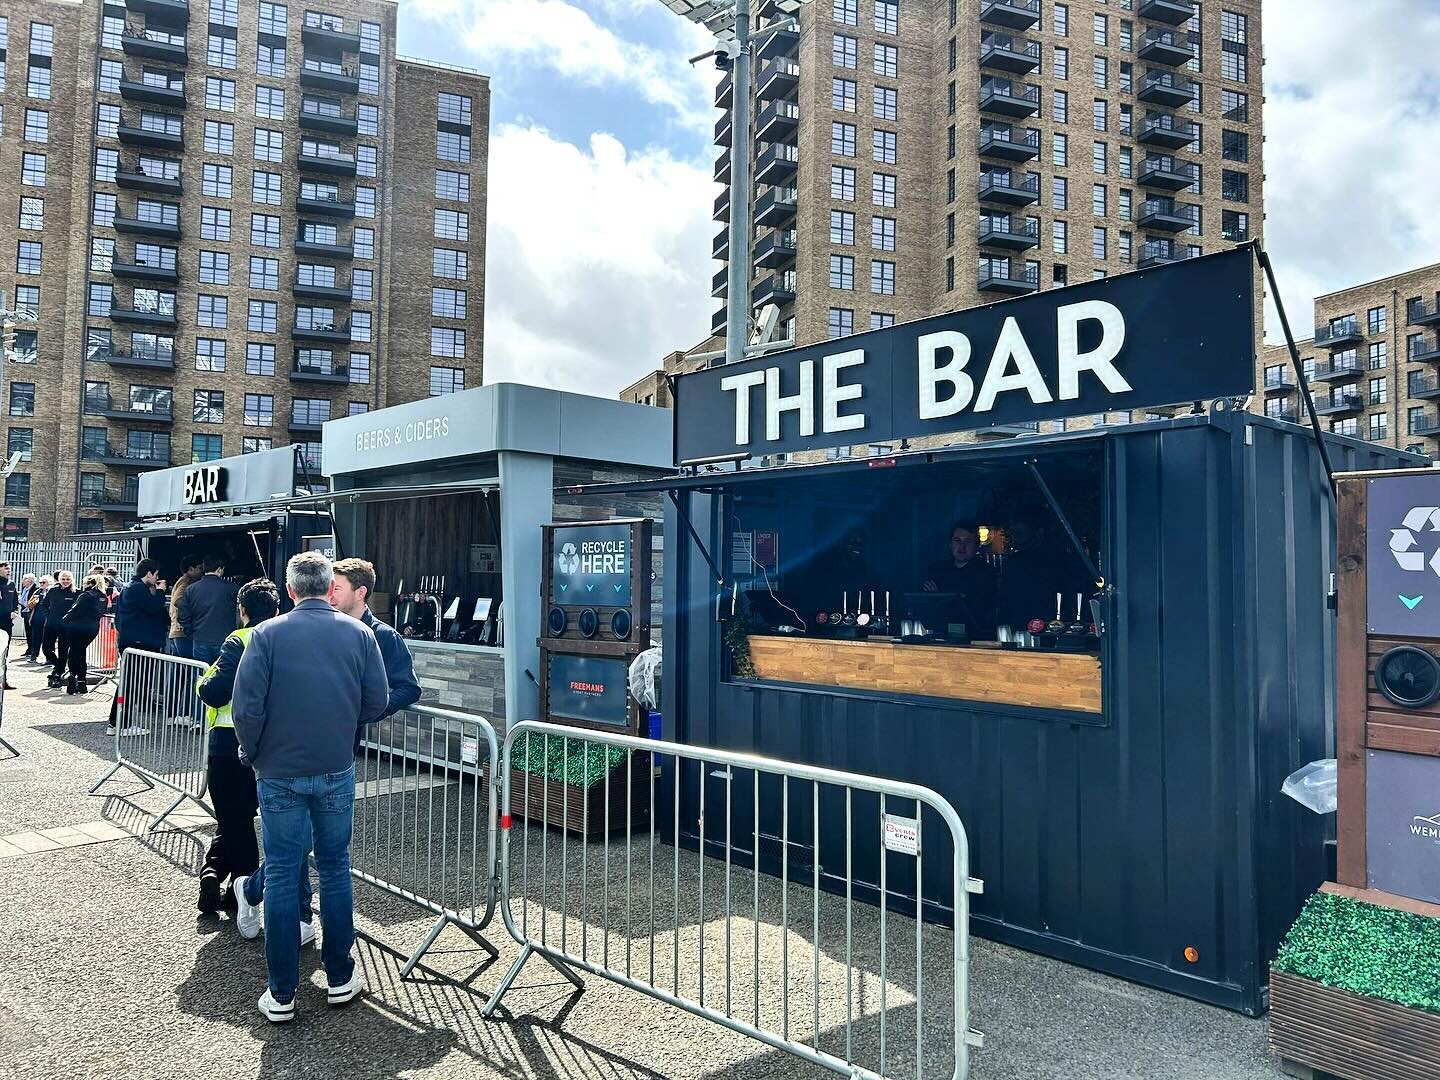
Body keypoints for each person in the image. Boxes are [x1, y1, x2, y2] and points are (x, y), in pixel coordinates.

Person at [231, 552, 388, 1023]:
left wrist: (254, 752)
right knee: (336, 867)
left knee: (281, 871)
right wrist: (341, 720)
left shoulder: (266, 635)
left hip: (278, 768)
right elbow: (377, 699)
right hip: (335, 764)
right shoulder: (359, 633)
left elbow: (246, 707)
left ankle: (281, 992)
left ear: (291, 589)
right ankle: (340, 976)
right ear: (327, 587)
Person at [234, 557, 425, 928]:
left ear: (360, 592)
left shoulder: (380, 636)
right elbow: (251, 702)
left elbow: (406, 687)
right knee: (299, 844)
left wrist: (361, 711)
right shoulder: (292, 631)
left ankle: (258, 893)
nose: (330, 593)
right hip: (292, 756)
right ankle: (293, 914)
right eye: (329, 586)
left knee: (310, 847)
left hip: (338, 754)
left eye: (337, 587)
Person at [195, 579, 279, 915]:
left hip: (229, 741)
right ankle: (216, 872)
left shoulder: (239, 639)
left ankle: (237, 885)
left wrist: (203, 682)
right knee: (239, 816)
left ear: (242, 610)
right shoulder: (282, 638)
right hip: (270, 741)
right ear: (276, 610)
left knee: (233, 816)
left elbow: (215, 691)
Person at [109, 559, 170, 733]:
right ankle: (123, 724)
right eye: (156, 574)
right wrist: (159, 592)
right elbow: (154, 607)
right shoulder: (137, 589)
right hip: (139, 642)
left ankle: (117, 723)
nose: (157, 578)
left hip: (133, 640)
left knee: (130, 683)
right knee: (133, 684)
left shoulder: (130, 588)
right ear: (149, 573)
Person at [920, 520, 998, 641]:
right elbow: (922, 605)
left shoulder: (987, 574)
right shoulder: (937, 571)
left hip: (976, 641)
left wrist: (940, 597)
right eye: (957, 541)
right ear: (950, 544)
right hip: (939, 638)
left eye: (968, 541)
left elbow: (980, 610)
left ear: (977, 546)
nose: (962, 547)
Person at [177, 555, 239, 666]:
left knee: (201, 677)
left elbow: (182, 615)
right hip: (225, 640)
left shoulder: (191, 589)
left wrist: (192, 633)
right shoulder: (232, 588)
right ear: (220, 569)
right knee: (222, 675)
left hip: (199, 640)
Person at [60, 574, 108, 695]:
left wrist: (64, 620)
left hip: (77, 627)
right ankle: (81, 681)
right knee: (80, 651)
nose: (83, 584)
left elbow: (75, 610)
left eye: (84, 582)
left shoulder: (85, 595)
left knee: (74, 652)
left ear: (89, 583)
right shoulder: (103, 597)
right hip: (92, 628)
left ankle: (73, 676)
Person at [42, 571, 77, 688]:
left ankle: (58, 673)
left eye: (68, 579)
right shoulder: (53, 590)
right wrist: (48, 615)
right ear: (59, 579)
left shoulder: (76, 593)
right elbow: (44, 604)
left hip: (66, 627)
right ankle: (59, 667)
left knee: (63, 651)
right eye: (63, 579)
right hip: (51, 624)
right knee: (46, 649)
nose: (65, 581)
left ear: (72, 580)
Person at [166, 554, 203, 659]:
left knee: (180, 670)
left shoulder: (183, 581)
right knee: (189, 668)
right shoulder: (187, 582)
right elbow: (177, 600)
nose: (202, 571)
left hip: (177, 631)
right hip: (182, 633)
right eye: (199, 568)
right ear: (191, 569)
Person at [26, 575, 51, 662]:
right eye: (40, 582)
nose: (41, 584)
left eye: (43, 582)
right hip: (37, 617)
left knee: (48, 639)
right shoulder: (37, 591)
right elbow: (29, 605)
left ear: (49, 583)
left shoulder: (51, 592)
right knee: (35, 637)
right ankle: (34, 655)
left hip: (48, 618)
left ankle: (49, 658)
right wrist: (33, 602)